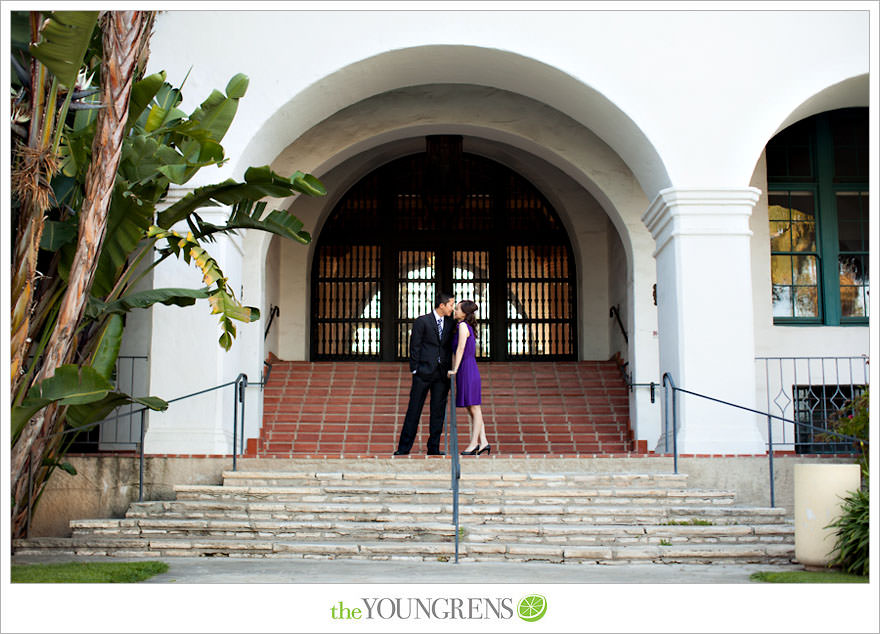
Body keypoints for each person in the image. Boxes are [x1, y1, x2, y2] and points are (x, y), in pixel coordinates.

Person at [394, 292, 456, 456]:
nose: (453, 308)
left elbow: (450, 347)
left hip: (441, 375)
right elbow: (415, 346)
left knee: (438, 412)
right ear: (441, 305)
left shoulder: (451, 324)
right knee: (414, 410)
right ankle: (404, 448)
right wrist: (415, 369)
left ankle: (433, 448)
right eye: (451, 304)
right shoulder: (422, 321)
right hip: (423, 373)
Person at [448, 300, 490, 456]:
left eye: (458, 309)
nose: (455, 311)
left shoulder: (463, 326)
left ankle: (474, 443)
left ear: (465, 313)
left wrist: (455, 369)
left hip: (467, 368)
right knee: (471, 407)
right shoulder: (465, 326)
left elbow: (460, 349)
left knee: (474, 407)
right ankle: (484, 441)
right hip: (468, 368)